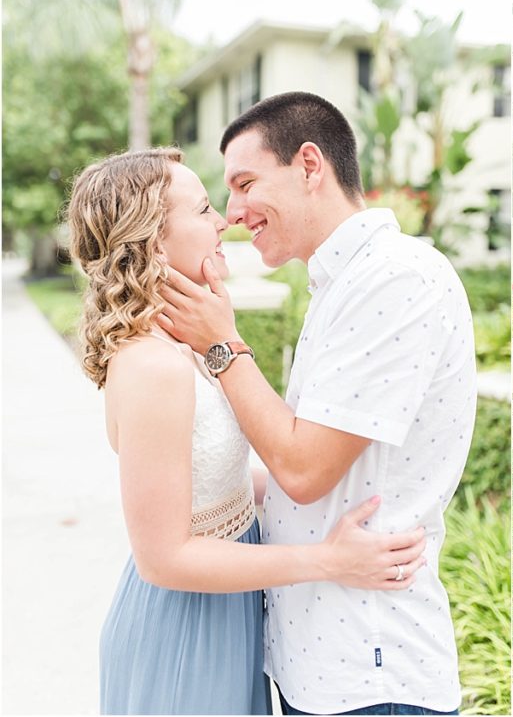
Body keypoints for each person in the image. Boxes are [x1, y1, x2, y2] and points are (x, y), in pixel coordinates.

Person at [66, 148, 428, 715]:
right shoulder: (152, 365)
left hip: (227, 613)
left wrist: (334, 495)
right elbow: (163, 558)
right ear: (152, 242)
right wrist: (330, 560)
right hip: (184, 633)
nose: (223, 221)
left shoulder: (182, 345)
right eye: (205, 208)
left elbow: (220, 481)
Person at [158, 91, 477, 715]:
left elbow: (304, 470)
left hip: (369, 666)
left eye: (245, 183)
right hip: (320, 659)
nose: (232, 211)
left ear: (310, 165)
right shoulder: (343, 281)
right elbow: (304, 463)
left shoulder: (395, 277)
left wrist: (222, 344)